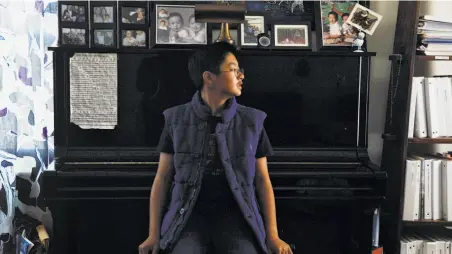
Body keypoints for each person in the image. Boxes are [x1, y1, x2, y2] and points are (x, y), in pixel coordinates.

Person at [138, 42, 293, 254]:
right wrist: (153, 235)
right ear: (208, 77)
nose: (241, 76)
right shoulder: (175, 118)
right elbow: (162, 178)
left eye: (240, 70)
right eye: (233, 69)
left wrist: (273, 235)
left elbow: (262, 180)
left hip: (236, 216)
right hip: (188, 217)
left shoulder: (252, 120)